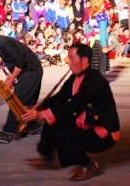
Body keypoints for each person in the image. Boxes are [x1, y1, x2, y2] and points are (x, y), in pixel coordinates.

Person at [21, 43, 120, 181]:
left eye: (72, 58)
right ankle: (47, 156)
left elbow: (74, 105)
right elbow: (60, 97)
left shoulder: (94, 79)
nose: (69, 62)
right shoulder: (75, 77)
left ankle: (89, 165)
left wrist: (41, 114)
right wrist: (38, 107)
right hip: (86, 120)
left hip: (104, 132)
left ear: (84, 60)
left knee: (63, 136)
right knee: (53, 120)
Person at [0, 22, 43, 143]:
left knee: (16, 100)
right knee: (24, 103)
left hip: (31, 72)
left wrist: (11, 80)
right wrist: (11, 77)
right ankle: (35, 127)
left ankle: (8, 133)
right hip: (29, 71)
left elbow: (20, 63)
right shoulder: (0, 43)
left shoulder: (3, 43)